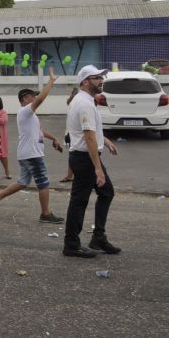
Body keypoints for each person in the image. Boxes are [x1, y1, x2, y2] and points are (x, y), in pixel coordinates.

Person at [0, 67, 64, 223]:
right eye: (33, 96)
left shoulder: (30, 115)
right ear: (25, 98)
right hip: (32, 154)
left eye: (35, 96)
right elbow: (41, 99)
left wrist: (54, 138)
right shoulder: (25, 111)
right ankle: (46, 214)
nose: (35, 98)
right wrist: (51, 81)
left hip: (27, 153)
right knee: (43, 183)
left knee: (23, 182)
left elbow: (40, 131)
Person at [63, 65, 120, 258]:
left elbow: (89, 130)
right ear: (85, 82)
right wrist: (98, 168)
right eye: (96, 77)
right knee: (79, 201)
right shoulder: (85, 103)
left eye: (101, 77)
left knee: (106, 192)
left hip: (86, 156)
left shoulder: (85, 100)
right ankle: (71, 244)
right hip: (85, 158)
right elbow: (87, 136)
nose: (101, 80)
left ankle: (98, 238)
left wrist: (105, 140)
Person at [59, 87, 80, 183]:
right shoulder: (73, 103)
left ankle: (71, 175)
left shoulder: (79, 103)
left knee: (75, 155)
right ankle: (70, 175)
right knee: (73, 154)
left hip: (77, 133)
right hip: (72, 132)